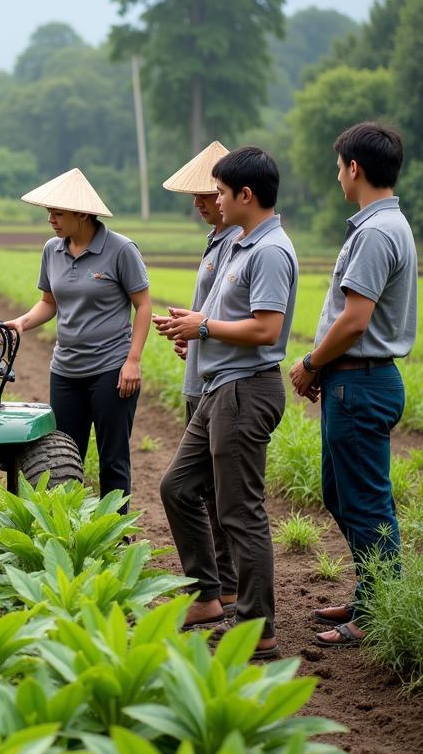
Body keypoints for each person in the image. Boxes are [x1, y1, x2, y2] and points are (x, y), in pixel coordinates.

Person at [159, 146, 297, 660]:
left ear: (246, 194)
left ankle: (258, 632)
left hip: (246, 390)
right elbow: (227, 320)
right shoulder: (238, 245)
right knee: (177, 487)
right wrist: (194, 330)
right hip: (220, 387)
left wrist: (205, 327)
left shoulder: (271, 251)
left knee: (241, 513)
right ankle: (210, 595)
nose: (213, 200)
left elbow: (266, 329)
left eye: (219, 191)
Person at [289, 122, 417, 648]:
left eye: (339, 165)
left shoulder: (374, 232)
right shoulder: (389, 225)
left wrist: (311, 364)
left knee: (364, 502)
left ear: (354, 168)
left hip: (359, 383)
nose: (337, 174)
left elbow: (354, 320)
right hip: (360, 382)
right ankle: (372, 593)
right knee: (343, 494)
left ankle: (377, 609)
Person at [6, 168, 151, 504]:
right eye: (49, 213)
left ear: (82, 214)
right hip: (66, 371)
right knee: (63, 457)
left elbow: (143, 306)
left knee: (113, 457)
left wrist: (133, 360)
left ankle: (114, 534)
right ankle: (68, 528)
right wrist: (21, 323)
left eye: (58, 213)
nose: (51, 220)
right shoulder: (52, 250)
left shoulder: (120, 249)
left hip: (111, 370)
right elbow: (49, 303)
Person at [153, 142, 239, 621]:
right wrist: (194, 335)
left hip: (223, 385)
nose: (202, 205)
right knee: (202, 490)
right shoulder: (216, 240)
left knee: (211, 492)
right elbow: (215, 318)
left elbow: (243, 322)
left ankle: (221, 589)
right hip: (203, 375)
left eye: (209, 196)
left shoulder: (240, 244)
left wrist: (201, 330)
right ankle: (218, 589)